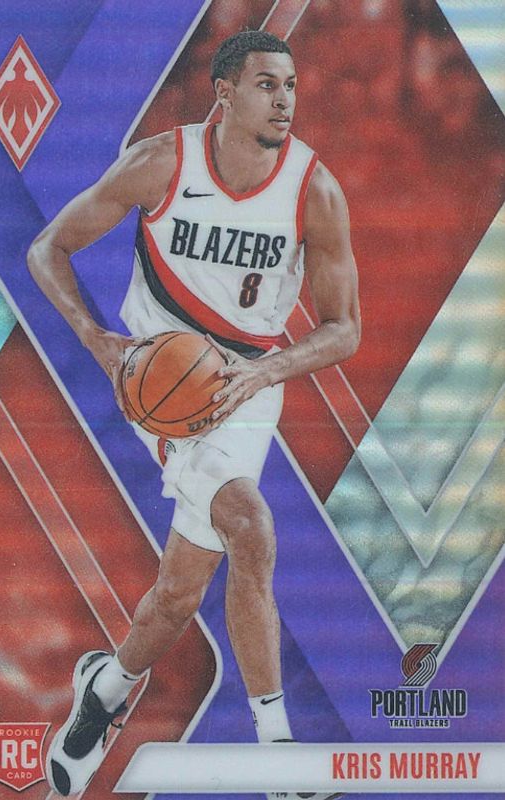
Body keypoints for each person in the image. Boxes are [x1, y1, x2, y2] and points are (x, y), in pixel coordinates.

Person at [27, 30, 360, 799]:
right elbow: (47, 248)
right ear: (224, 92)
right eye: (266, 84)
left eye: (290, 86)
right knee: (249, 525)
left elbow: (344, 328)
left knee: (178, 595)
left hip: (250, 384)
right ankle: (277, 754)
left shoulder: (313, 190)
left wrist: (265, 371)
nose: (284, 100)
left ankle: (107, 687)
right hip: (163, 387)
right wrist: (98, 341)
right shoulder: (161, 164)